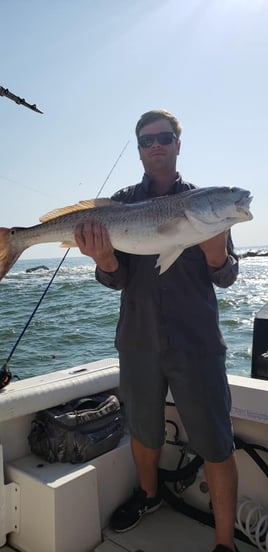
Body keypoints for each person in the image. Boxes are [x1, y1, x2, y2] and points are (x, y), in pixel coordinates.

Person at [75, 109, 239, 552]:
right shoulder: (118, 204)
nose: (156, 145)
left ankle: (226, 542)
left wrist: (217, 253)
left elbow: (226, 277)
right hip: (139, 340)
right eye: (146, 140)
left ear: (178, 144)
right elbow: (117, 278)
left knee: (216, 441)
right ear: (139, 149)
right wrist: (106, 262)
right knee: (144, 430)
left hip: (197, 343)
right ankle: (149, 497)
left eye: (165, 137)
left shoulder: (205, 204)